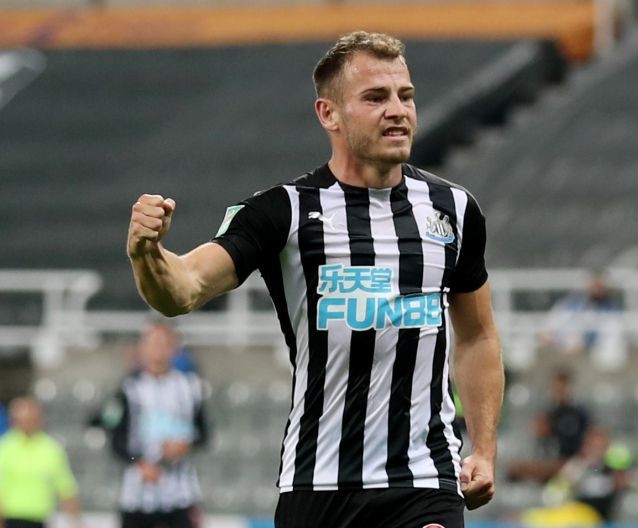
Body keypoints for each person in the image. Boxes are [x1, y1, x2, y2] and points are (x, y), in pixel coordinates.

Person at [126, 31, 504, 528]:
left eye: (405, 96)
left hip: (423, 479)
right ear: (329, 114)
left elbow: (477, 336)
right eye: (375, 97)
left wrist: (483, 448)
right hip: (317, 483)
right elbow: (184, 290)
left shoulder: (453, 210)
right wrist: (146, 253)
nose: (398, 110)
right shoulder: (282, 211)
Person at [99, 323, 208, 528]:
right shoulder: (128, 390)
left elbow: (204, 434)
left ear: (174, 348)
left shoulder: (190, 388)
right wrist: (139, 462)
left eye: (164, 343)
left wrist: (186, 444)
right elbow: (116, 440)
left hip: (181, 494)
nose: (158, 349)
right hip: (137, 494)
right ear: (142, 349)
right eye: (152, 343)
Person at [0, 397, 81, 528]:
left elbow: (66, 488)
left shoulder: (51, 448)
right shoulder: (5, 447)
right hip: (9, 519)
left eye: (32, 419)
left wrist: (76, 522)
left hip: (39, 519)